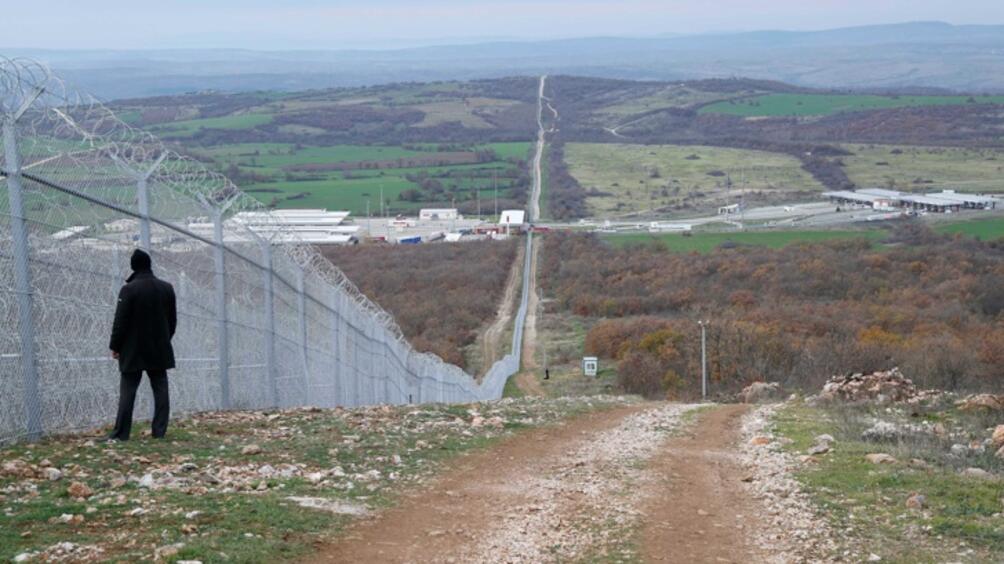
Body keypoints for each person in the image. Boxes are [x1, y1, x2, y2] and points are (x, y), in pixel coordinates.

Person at [107, 249, 177, 441]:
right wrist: (164, 339)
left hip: (133, 349)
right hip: (159, 347)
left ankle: (121, 433)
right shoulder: (166, 288)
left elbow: (120, 321)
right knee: (161, 389)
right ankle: (159, 431)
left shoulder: (129, 289)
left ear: (133, 267)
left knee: (128, 391)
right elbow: (172, 322)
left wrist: (115, 345)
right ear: (149, 264)